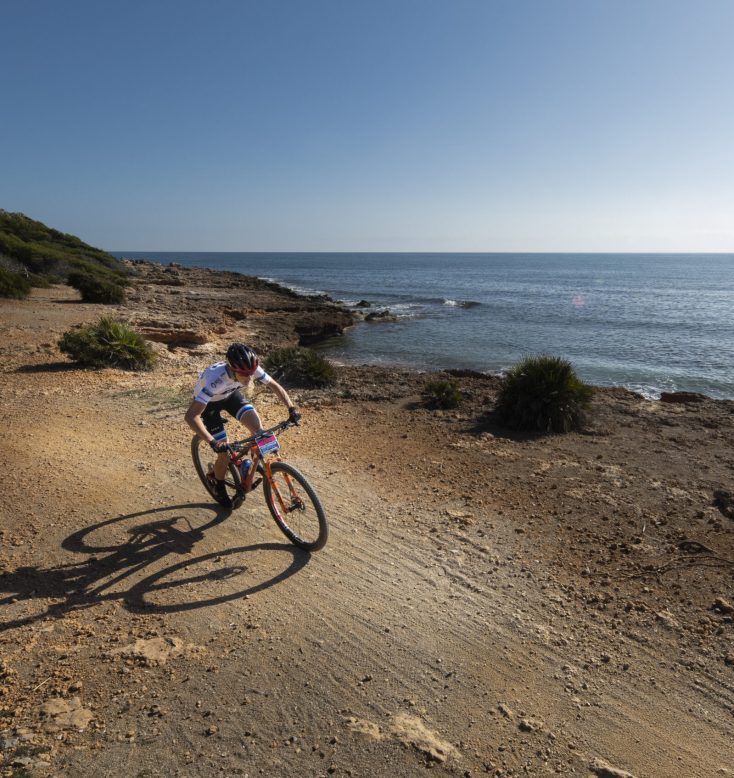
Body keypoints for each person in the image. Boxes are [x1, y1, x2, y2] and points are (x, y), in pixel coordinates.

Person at [185, 342, 301, 507]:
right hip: (209, 405)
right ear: (233, 370)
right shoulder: (215, 380)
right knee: (224, 454)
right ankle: (218, 486)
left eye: (251, 374)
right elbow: (191, 416)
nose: (249, 379)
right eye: (245, 375)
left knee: (259, 431)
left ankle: (246, 465)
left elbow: (274, 386)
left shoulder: (250, 368)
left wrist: (291, 408)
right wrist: (213, 442)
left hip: (230, 396)